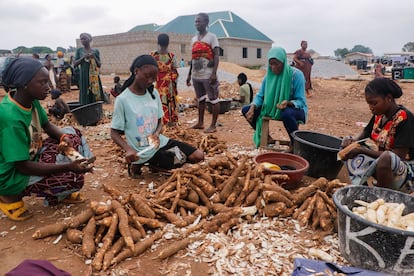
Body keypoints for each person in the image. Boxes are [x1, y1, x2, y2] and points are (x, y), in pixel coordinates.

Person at [0, 57, 94, 221]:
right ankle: (8, 196)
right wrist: (68, 167)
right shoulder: (11, 118)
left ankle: (57, 192)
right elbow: (23, 167)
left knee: (72, 132)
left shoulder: (29, 100)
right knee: (72, 179)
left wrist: (64, 138)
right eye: (42, 82)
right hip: (12, 174)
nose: (48, 87)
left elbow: (48, 126)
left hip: (30, 155)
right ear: (24, 84)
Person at [111, 55, 204, 178]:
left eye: (153, 78)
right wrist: (128, 149)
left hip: (159, 143)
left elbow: (160, 121)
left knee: (198, 156)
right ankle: (141, 163)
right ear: (136, 71)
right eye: (147, 76)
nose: (150, 81)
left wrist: (156, 134)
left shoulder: (153, 93)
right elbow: (114, 133)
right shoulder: (123, 99)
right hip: (142, 151)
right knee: (178, 165)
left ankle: (154, 163)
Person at [341, 78, 414, 192]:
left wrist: (362, 150)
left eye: (374, 103)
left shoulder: (404, 118)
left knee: (385, 158)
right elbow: (365, 132)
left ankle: (382, 195)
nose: (371, 107)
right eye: (369, 104)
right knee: (348, 148)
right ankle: (363, 188)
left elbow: (398, 156)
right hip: (384, 163)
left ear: (389, 98)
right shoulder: (379, 115)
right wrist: (351, 140)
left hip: (405, 171)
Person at [242, 47, 307, 149]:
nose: (273, 67)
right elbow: (260, 96)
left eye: (276, 64)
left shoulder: (296, 75)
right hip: (272, 108)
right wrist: (252, 107)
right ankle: (266, 137)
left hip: (295, 110)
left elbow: (301, 101)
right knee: (246, 110)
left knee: (286, 113)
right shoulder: (268, 77)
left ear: (283, 62)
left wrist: (288, 103)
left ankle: (296, 143)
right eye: (271, 64)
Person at [186, 12, 220, 133]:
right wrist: (189, 75)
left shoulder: (212, 37)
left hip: (208, 74)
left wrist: (214, 73)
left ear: (206, 23)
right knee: (200, 99)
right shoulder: (194, 39)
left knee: (213, 99)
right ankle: (200, 122)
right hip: (196, 75)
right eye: (196, 21)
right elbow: (193, 58)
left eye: (199, 21)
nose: (197, 23)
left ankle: (213, 125)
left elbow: (216, 55)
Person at [151, 33, 179, 126]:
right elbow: (175, 71)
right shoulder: (171, 56)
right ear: (168, 43)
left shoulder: (153, 55)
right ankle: (169, 121)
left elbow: (149, 69)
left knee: (157, 101)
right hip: (168, 84)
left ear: (158, 42)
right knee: (169, 101)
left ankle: (158, 122)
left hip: (156, 83)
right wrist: (173, 82)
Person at [73, 33, 105, 105]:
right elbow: (75, 64)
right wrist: (83, 57)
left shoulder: (95, 51)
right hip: (84, 75)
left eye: (84, 38)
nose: (83, 40)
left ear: (90, 39)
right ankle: (85, 107)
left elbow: (99, 65)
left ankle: (95, 107)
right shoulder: (79, 51)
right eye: (81, 39)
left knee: (94, 91)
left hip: (94, 75)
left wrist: (94, 57)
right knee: (85, 90)